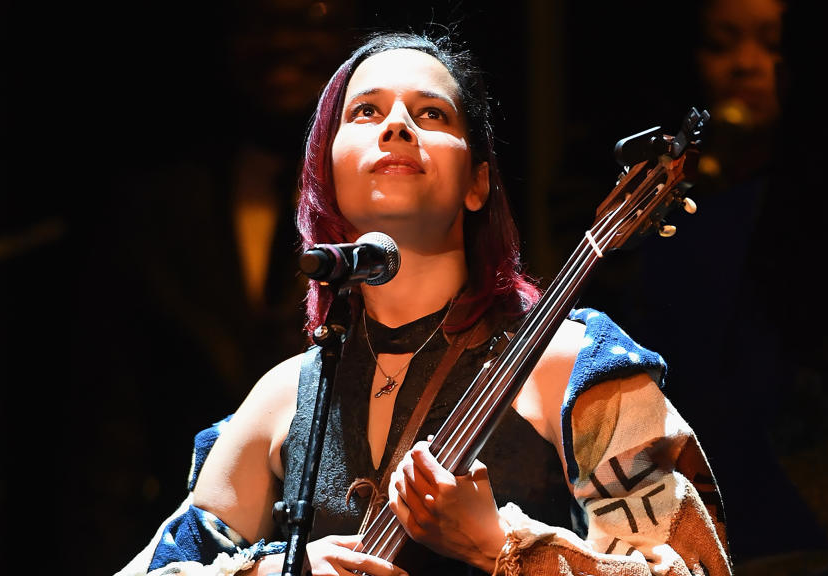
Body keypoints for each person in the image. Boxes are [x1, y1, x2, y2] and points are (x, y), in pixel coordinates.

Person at [119, 31, 730, 576]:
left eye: (431, 112)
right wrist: (287, 568)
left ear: (477, 183)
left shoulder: (572, 363)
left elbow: (693, 567)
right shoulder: (288, 396)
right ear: (325, 175)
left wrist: (500, 547)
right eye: (366, 111)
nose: (397, 125)